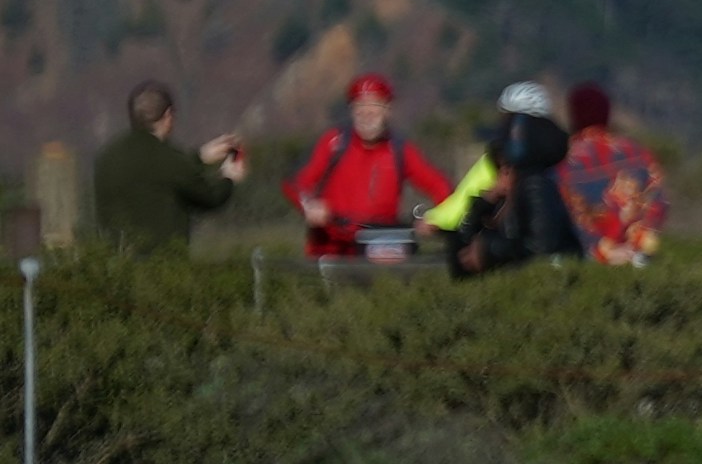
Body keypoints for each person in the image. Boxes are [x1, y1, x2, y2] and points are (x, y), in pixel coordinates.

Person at [285, 74, 446, 263]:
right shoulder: (333, 143)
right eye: (360, 105)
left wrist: (437, 218)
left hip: (379, 247)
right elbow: (296, 183)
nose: (367, 112)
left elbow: (440, 187)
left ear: (388, 110)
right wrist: (310, 206)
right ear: (351, 111)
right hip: (332, 251)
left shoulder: (401, 150)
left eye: (375, 105)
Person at [428, 82, 581, 275]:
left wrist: (490, 250)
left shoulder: (536, 185)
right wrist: (486, 201)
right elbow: (463, 246)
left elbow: (542, 250)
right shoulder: (506, 184)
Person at [88, 81, 249, 253]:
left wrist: (200, 156)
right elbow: (210, 197)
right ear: (168, 115)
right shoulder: (168, 157)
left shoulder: (106, 156)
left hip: (114, 265)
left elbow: (153, 173)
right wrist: (228, 176)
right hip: (162, 267)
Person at [559, 82, 671, 268]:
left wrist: (599, 251)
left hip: (586, 262)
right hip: (636, 260)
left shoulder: (562, 159)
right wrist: (636, 246)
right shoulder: (637, 152)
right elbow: (659, 202)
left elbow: (560, 212)